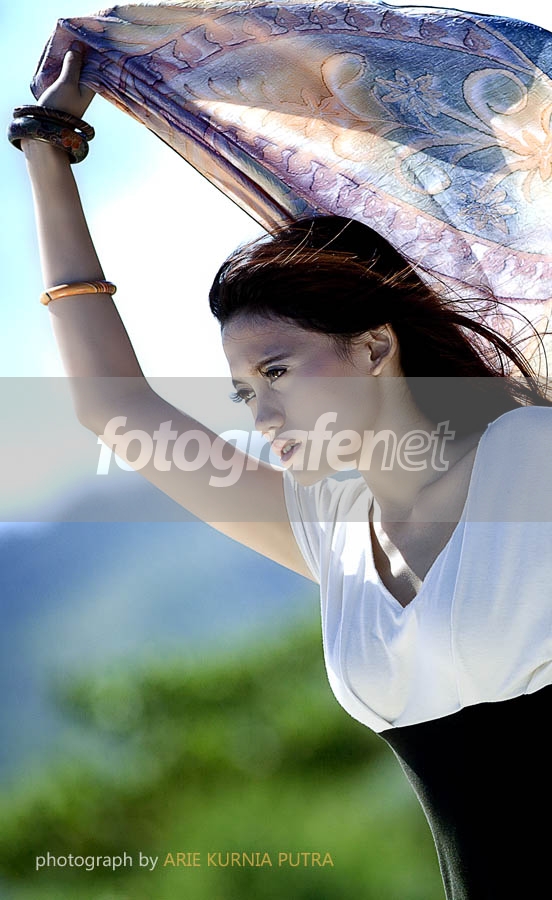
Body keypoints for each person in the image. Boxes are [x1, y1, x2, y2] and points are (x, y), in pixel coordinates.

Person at [13, 48, 552, 900]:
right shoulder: (333, 534)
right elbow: (117, 410)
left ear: (374, 346)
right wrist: (47, 149)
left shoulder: (532, 456)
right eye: (243, 392)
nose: (261, 416)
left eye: (277, 372)